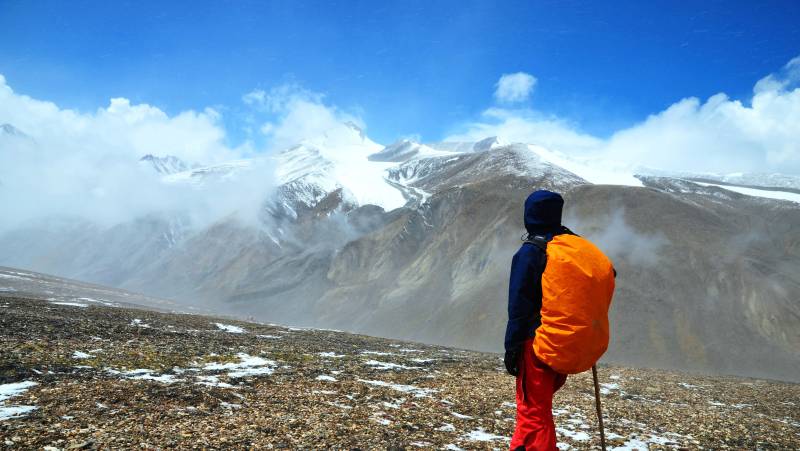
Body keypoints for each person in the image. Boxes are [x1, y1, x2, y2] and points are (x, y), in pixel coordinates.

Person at [504, 190, 570, 451]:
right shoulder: (568, 247)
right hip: (563, 340)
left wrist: (512, 346)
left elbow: (518, 305)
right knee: (541, 409)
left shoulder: (531, 252)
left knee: (533, 411)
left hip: (536, 342)